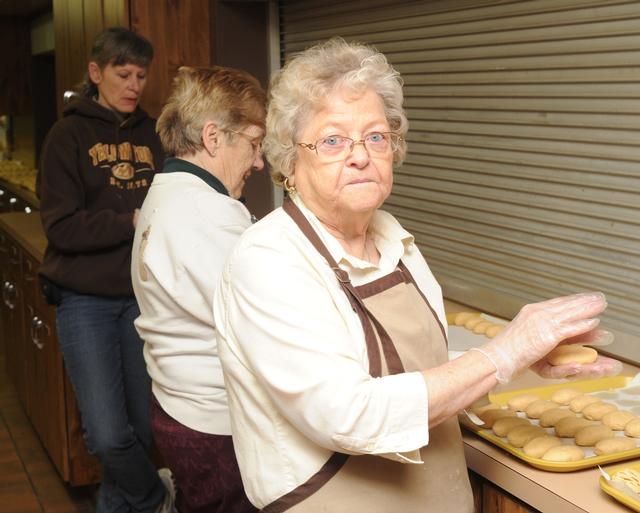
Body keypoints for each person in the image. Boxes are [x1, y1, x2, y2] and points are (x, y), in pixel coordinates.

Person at [213, 38, 623, 512]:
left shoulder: (392, 237)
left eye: (376, 136)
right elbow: (349, 415)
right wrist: (502, 353)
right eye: (332, 141)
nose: (361, 155)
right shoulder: (268, 260)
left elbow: (420, 364)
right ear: (289, 158)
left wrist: (523, 356)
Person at [37, 27, 172, 513]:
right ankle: (156, 496)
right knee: (109, 436)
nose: (134, 84)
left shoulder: (154, 135)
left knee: (141, 427)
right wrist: (129, 221)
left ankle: (120, 506)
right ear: (96, 73)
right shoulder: (66, 136)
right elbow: (61, 227)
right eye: (123, 73)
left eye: (141, 74)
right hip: (85, 301)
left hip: (141, 297)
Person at [131, 66, 266, 513]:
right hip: (212, 420)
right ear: (213, 138)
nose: (260, 161)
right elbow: (263, 320)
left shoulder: (166, 190)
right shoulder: (209, 213)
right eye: (253, 143)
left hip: (175, 405)